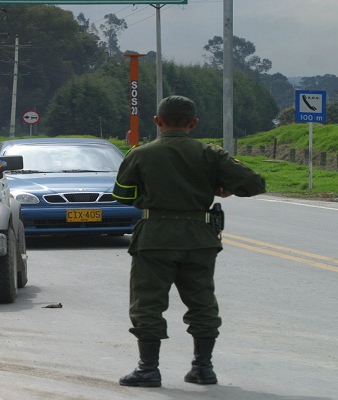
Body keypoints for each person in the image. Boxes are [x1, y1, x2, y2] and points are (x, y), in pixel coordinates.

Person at [112, 95, 266, 388]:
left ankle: (148, 369)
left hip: (154, 238)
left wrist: (151, 198)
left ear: (158, 121)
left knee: (147, 303)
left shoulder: (140, 154)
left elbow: (122, 194)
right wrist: (222, 189)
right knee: (202, 302)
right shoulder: (211, 154)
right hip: (199, 239)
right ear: (193, 124)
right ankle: (203, 368)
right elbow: (254, 184)